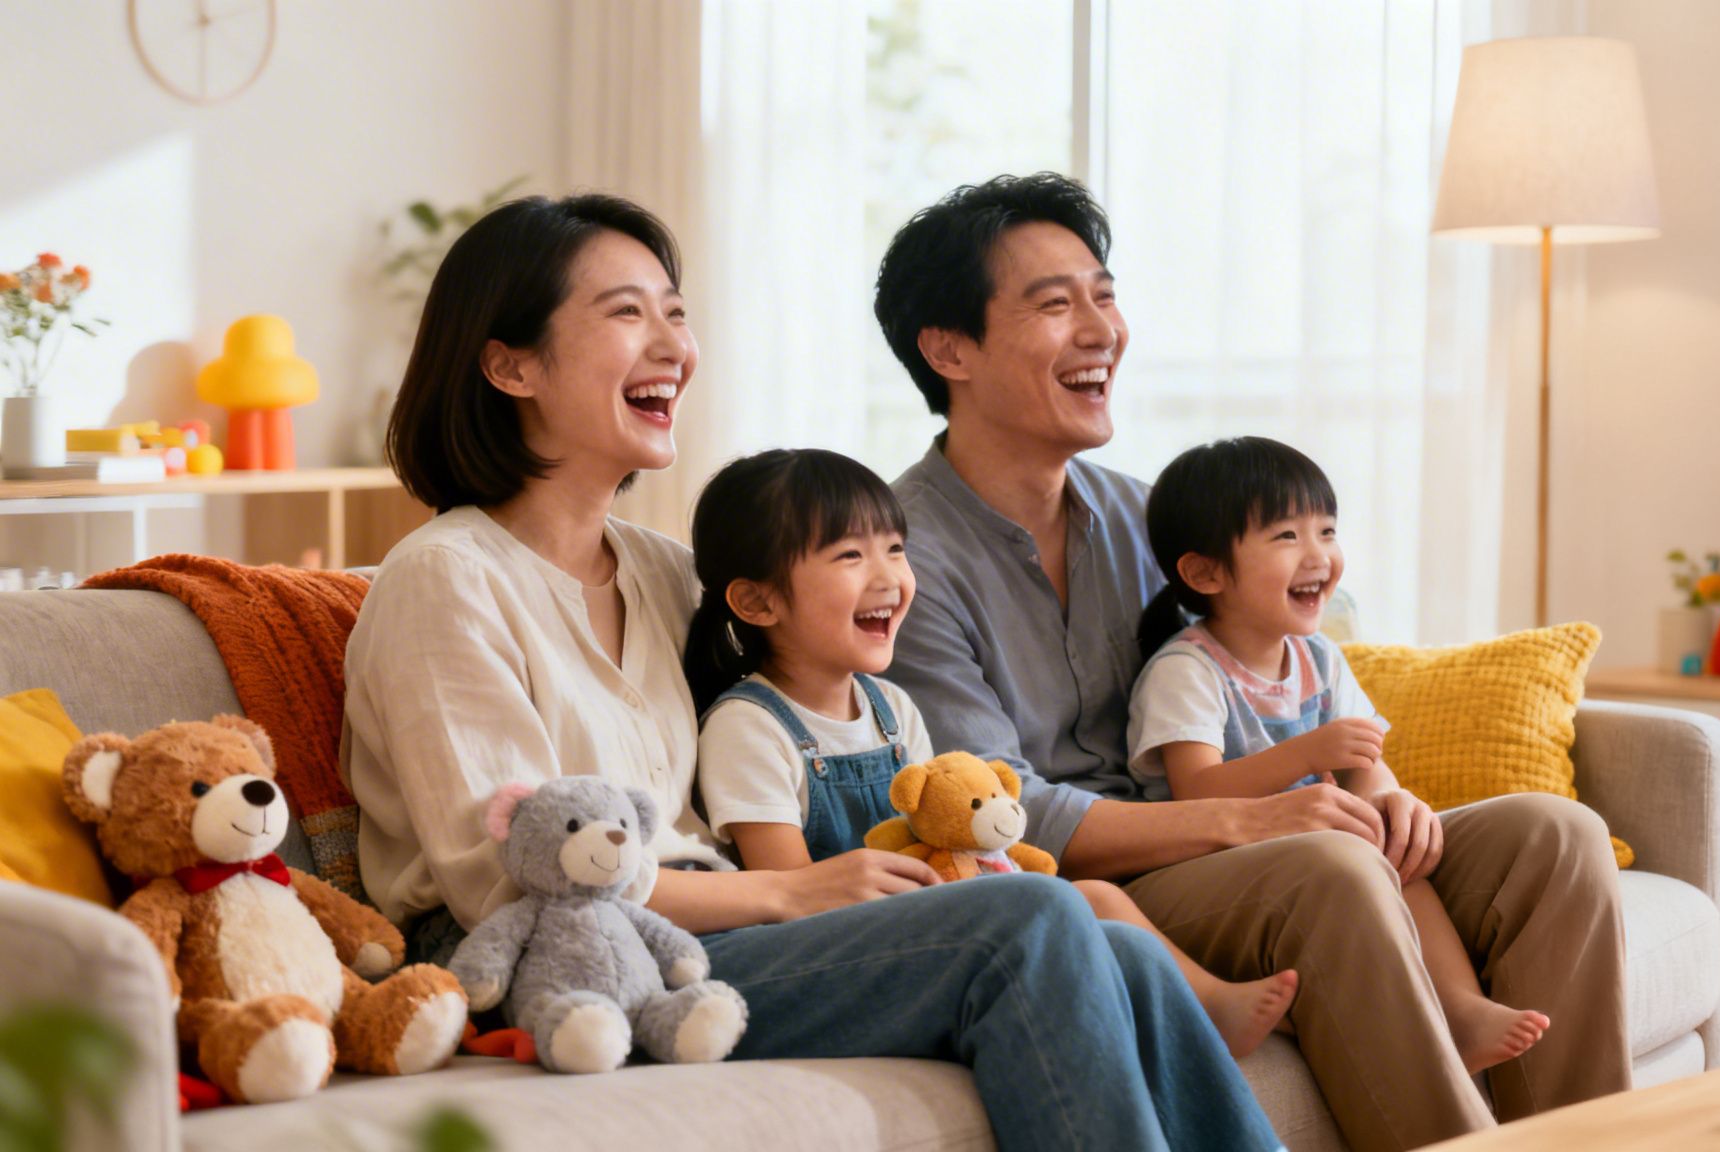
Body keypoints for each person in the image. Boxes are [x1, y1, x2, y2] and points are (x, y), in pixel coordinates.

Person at [341, 192, 1282, 1152]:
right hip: (570, 966)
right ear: (511, 364)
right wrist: (791, 892)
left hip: (713, 936)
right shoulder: (445, 579)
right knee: (1026, 919)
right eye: (627, 313)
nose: (674, 345)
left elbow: (787, 733)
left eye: (676, 311)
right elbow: (510, 883)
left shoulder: (666, 572)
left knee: (1118, 943)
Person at [875, 172, 1631, 1152]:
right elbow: (997, 801)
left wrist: (1383, 790)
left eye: (1103, 295)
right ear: (949, 349)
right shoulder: (901, 561)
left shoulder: (1153, 517)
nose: (1100, 328)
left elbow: (1296, 654)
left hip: (1233, 845)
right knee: (1327, 866)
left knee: (1552, 837)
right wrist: (1247, 817)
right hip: (1099, 885)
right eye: (1055, 304)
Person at [686, 446, 1298, 1057]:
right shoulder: (750, 726)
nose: (889, 577)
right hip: (849, 947)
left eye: (895, 549)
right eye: (850, 555)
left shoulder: (890, 707)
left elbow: (935, 830)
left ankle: (1202, 1010)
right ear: (758, 603)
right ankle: (1199, 1016)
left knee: (1098, 903)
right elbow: (791, 893)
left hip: (927, 908)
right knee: (1070, 908)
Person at [1128, 435, 1549, 1073]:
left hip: (1308, 848)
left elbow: (1364, 761)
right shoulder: (1186, 669)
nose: (1319, 555)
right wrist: (1310, 750)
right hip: (1209, 864)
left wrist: (1390, 801)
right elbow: (1196, 788)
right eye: (1287, 536)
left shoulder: (1319, 658)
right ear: (1206, 573)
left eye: (1327, 530)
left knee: (1390, 848)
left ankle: (1459, 1009)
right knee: (1355, 855)